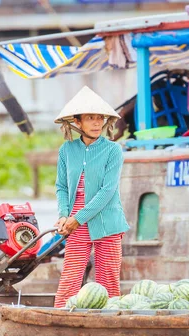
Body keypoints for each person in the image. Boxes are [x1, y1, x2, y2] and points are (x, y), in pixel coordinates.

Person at [53, 86, 130, 308]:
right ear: (78, 122)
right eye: (90, 118)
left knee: (108, 283)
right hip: (75, 223)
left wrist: (77, 218)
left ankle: (111, 327)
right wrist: (63, 215)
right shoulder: (67, 150)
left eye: (100, 119)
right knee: (70, 279)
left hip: (107, 222)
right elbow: (61, 186)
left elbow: (107, 191)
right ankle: (60, 320)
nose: (97, 123)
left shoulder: (113, 150)